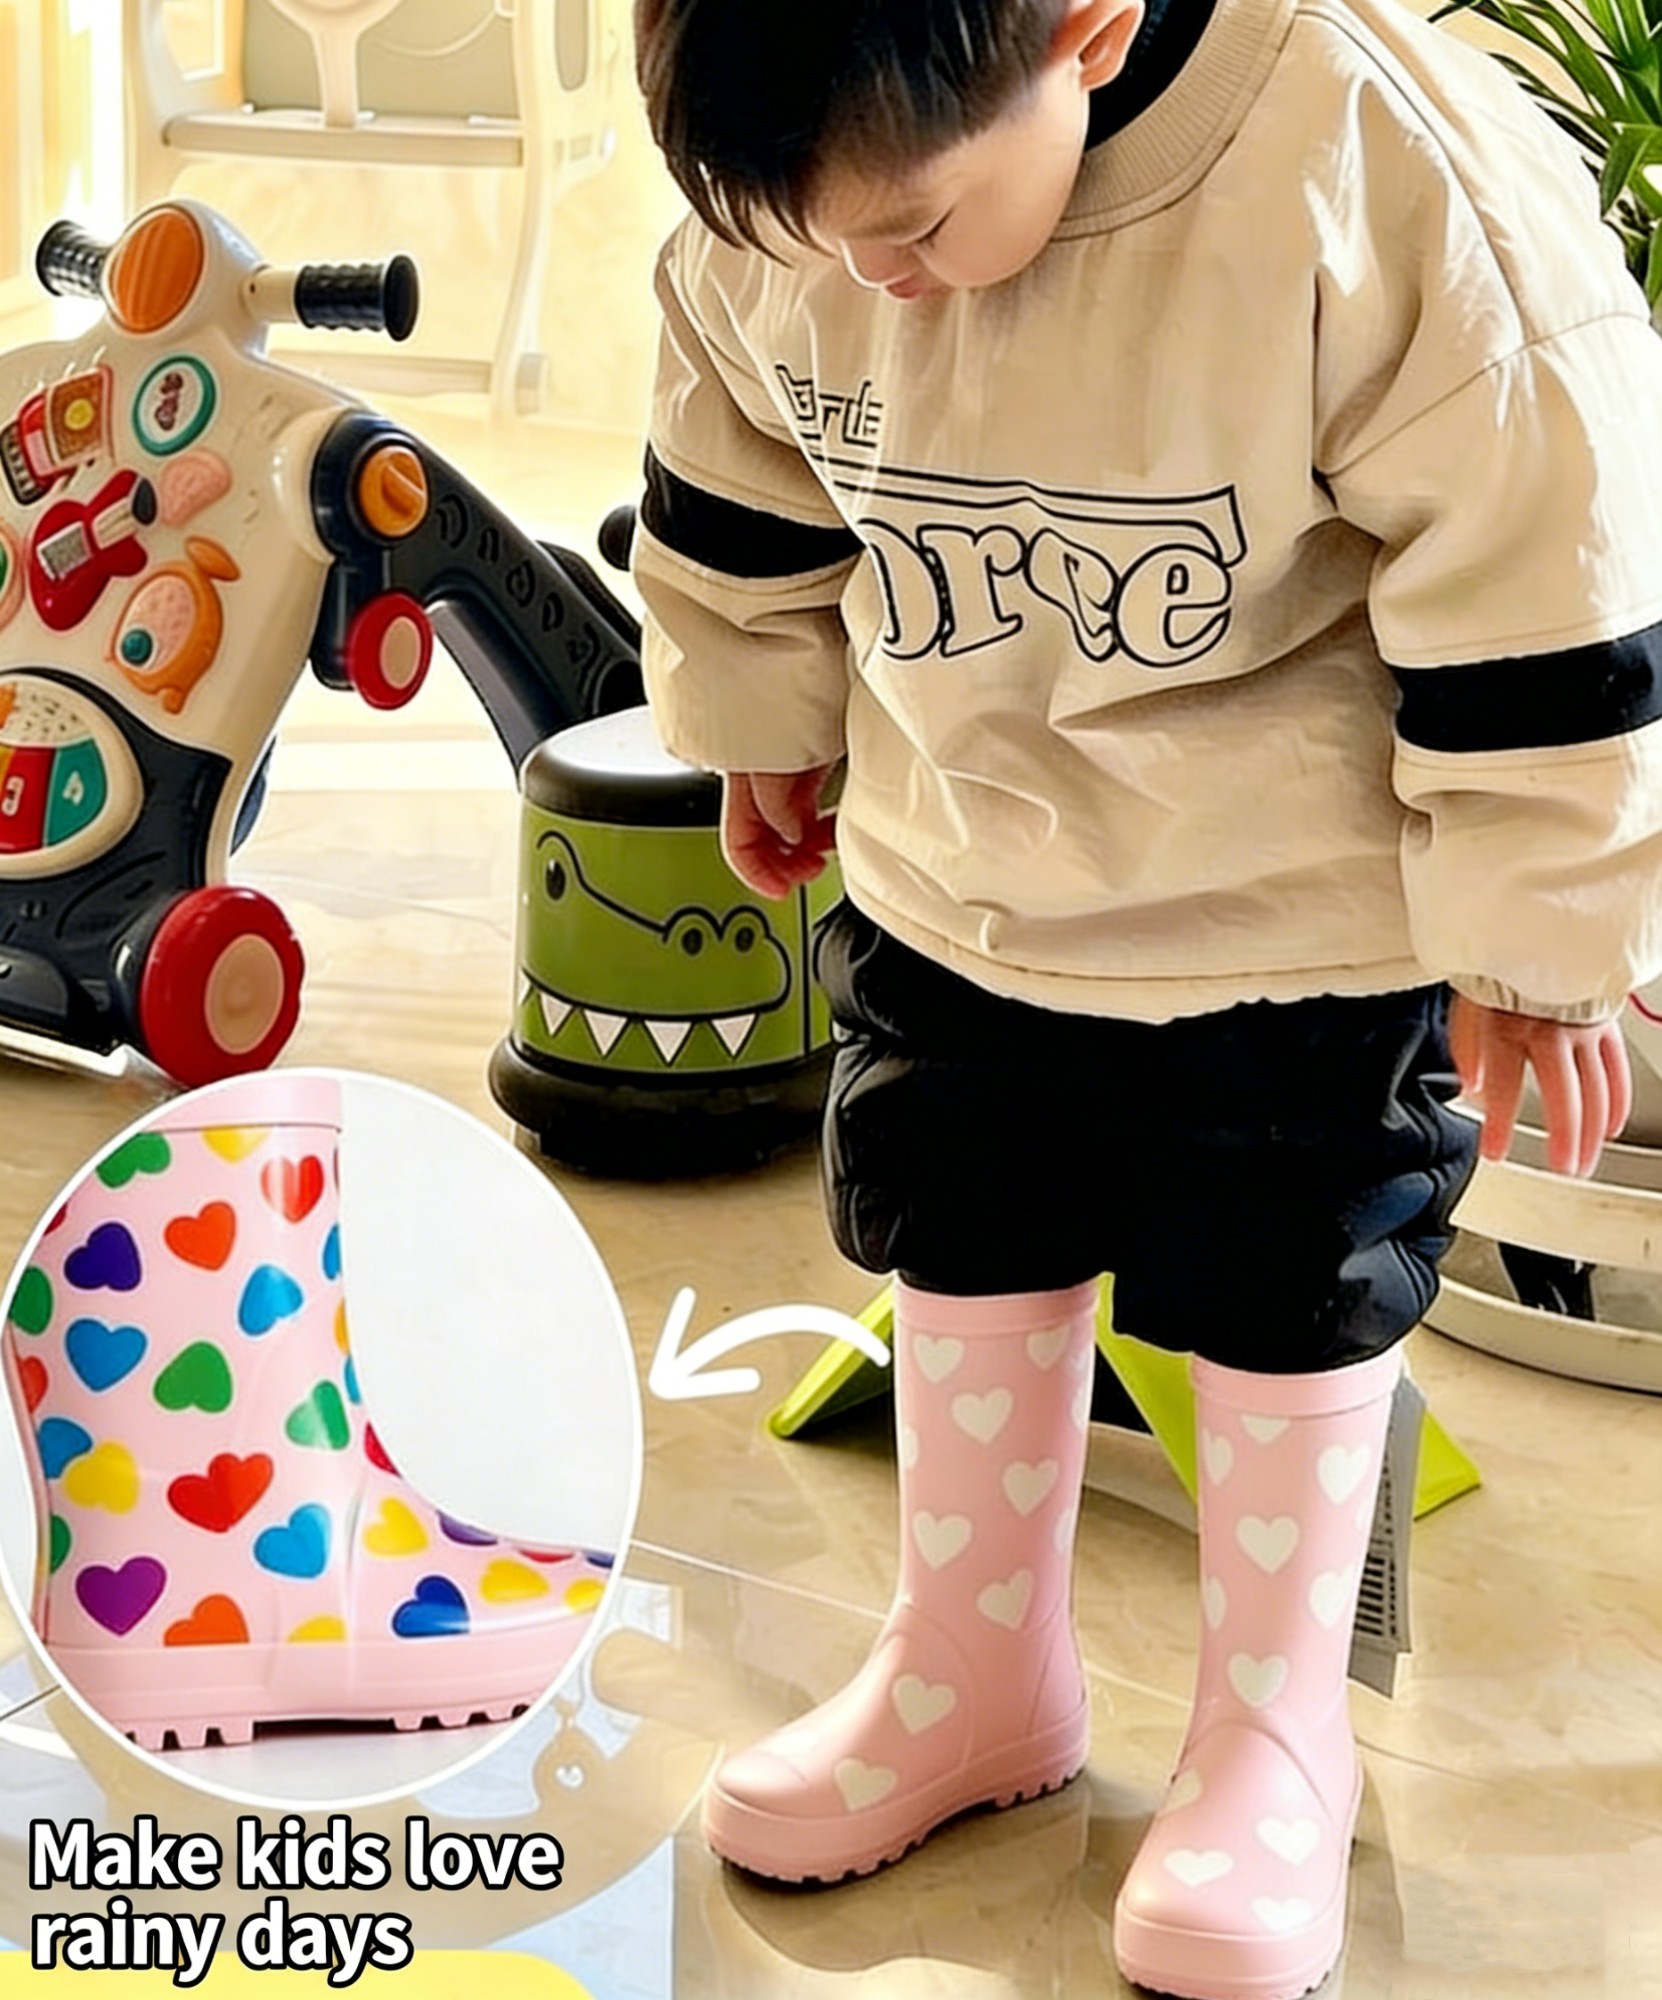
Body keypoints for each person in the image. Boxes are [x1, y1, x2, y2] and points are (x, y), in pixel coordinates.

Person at [628, 0, 1662, 1992]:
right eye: (825, 241)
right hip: (960, 866)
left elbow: (1549, 554)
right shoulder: (805, 174)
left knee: (1288, 1273)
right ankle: (969, 1665)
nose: (870, 281)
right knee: (959, 1209)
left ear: (1087, 29)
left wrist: (1542, 935)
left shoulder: (1372, 166)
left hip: (1293, 915)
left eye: (915, 229)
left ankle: (1273, 1736)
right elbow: (731, 452)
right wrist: (758, 713)